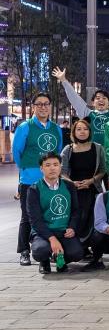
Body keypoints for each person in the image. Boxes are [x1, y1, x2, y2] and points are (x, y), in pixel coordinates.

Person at [13, 92, 63, 266]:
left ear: (50, 106)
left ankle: (46, 248)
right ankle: (24, 251)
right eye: (39, 104)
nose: (43, 107)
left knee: (48, 215)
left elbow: (58, 151)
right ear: (33, 106)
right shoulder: (25, 127)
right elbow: (17, 153)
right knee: (27, 216)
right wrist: (27, 169)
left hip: (50, 179)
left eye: (46, 104)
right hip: (30, 179)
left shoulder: (56, 128)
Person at [51, 66, 109, 145]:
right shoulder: (87, 114)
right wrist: (64, 80)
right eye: (98, 98)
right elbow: (74, 98)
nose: (101, 100)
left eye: (104, 98)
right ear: (93, 103)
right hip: (92, 155)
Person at [26, 152, 83, 273]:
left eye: (56, 164)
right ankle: (44, 261)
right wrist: (52, 239)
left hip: (63, 231)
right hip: (43, 233)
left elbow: (76, 210)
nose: (52, 168)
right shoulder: (34, 189)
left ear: (60, 167)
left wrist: (72, 227)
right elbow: (35, 220)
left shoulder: (69, 186)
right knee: (40, 251)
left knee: (77, 253)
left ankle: (60, 259)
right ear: (41, 168)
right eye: (47, 165)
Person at [60, 119, 107, 247]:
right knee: (77, 217)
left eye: (85, 129)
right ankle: (77, 246)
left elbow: (103, 170)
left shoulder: (98, 148)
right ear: (74, 132)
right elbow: (62, 172)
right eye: (79, 129)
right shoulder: (67, 150)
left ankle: (90, 246)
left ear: (90, 131)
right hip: (74, 190)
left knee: (92, 217)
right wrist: (72, 183)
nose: (82, 132)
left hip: (92, 189)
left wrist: (91, 181)